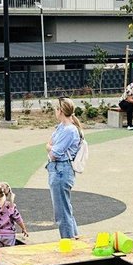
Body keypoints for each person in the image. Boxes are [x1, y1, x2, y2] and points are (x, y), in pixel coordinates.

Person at [46, 98, 84, 239]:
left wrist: (50, 148)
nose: (55, 111)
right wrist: (50, 147)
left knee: (62, 212)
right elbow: (50, 144)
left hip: (61, 170)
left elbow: (54, 153)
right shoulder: (61, 127)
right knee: (65, 208)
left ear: (60, 111)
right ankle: (73, 237)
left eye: (56, 109)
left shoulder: (69, 130)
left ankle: (68, 241)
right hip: (57, 169)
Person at [0, 180, 28, 246]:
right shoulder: (11, 206)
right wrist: (23, 229)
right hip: (9, 235)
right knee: (9, 251)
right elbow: (18, 218)